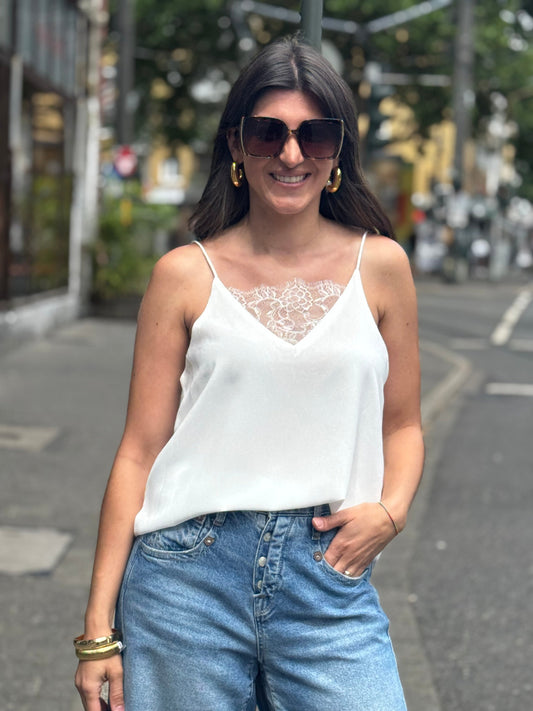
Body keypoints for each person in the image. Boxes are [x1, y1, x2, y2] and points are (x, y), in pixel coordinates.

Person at [75, 35, 424, 711]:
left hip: (328, 579)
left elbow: (403, 423)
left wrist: (393, 510)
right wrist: (97, 634)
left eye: (314, 134)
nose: (291, 154)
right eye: (268, 133)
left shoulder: (382, 266)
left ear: (337, 151)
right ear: (236, 145)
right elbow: (139, 451)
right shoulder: (182, 275)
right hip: (185, 582)